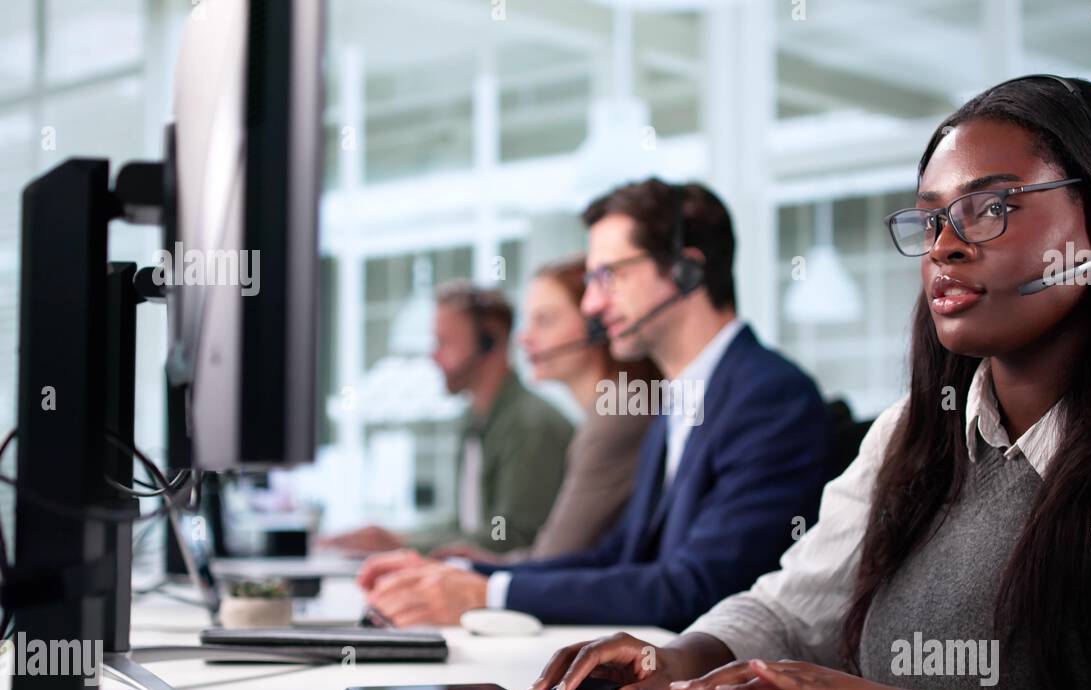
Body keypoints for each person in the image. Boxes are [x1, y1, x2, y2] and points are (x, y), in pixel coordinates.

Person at [521, 77, 1091, 690]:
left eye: (989, 207)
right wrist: (683, 656)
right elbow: (795, 611)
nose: (945, 247)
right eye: (931, 219)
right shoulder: (913, 430)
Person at [356, 179, 832, 631]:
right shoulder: (679, 399)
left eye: (609, 276)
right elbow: (619, 556)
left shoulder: (769, 398)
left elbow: (698, 587)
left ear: (687, 271)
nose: (591, 305)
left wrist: (489, 595)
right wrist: (465, 572)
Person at [320, 281, 573, 555]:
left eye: (444, 342)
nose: (433, 355)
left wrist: (405, 544)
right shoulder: (475, 420)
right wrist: (393, 537)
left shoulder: (530, 425)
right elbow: (466, 524)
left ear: (490, 341)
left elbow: (511, 536)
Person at [432, 256, 657, 562]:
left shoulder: (617, 412)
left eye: (545, 320)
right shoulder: (608, 409)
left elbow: (552, 555)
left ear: (597, 325)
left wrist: (472, 569)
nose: (524, 338)